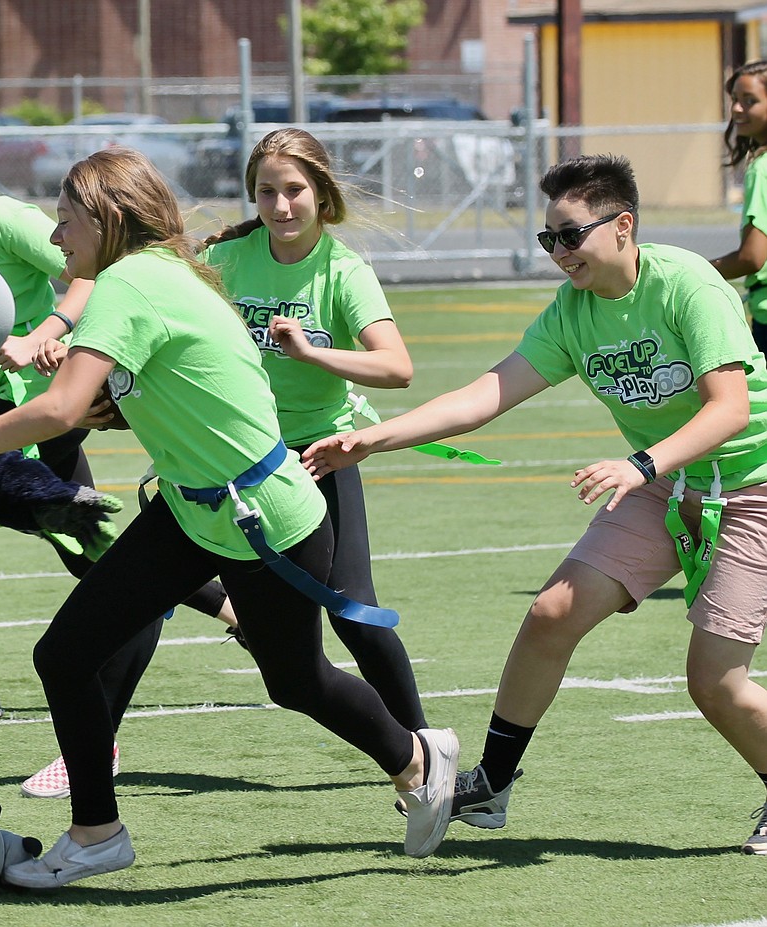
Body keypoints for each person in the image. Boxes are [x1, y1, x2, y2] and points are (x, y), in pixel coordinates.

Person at [0, 146, 460, 887]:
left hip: (268, 514)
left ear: (109, 219)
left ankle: (419, 759)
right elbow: (142, 391)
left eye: (66, 222)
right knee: (65, 654)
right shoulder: (149, 275)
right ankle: (96, 832)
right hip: (196, 510)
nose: (58, 239)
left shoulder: (133, 281)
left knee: (296, 681)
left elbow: (64, 407)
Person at [304, 152, 767, 856]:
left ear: (623, 226)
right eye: (548, 240)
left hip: (750, 485)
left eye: (570, 235)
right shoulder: (572, 312)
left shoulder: (687, 285)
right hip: (662, 485)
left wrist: (640, 461)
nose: (559, 253)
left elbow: (730, 409)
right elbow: (486, 394)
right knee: (551, 611)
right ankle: (492, 781)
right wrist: (374, 437)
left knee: (715, 682)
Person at [0, 101, 241, 796]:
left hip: (36, 404)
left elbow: (88, 271)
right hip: (11, 401)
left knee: (65, 551)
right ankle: (229, 608)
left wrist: (47, 332)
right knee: (95, 551)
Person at [202, 127, 427, 733]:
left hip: (318, 460)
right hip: (237, 459)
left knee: (354, 614)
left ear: (322, 195)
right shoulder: (224, 262)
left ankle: (427, 749)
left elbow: (397, 368)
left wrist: (311, 354)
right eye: (266, 191)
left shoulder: (344, 273)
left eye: (295, 190)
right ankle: (93, 750)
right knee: (141, 590)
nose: (281, 206)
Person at [711, 59, 767, 354]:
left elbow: (751, 258)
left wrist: (696, 270)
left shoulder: (762, 169)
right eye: (735, 99)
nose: (736, 109)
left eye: (750, 101)